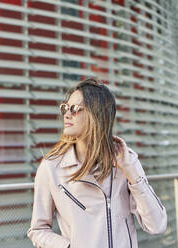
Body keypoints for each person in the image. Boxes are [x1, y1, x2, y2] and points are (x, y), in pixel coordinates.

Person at [27, 78, 167, 248]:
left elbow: (157, 225)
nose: (66, 114)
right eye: (65, 108)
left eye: (74, 109)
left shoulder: (127, 161)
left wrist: (131, 173)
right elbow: (38, 229)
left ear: (97, 114)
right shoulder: (51, 168)